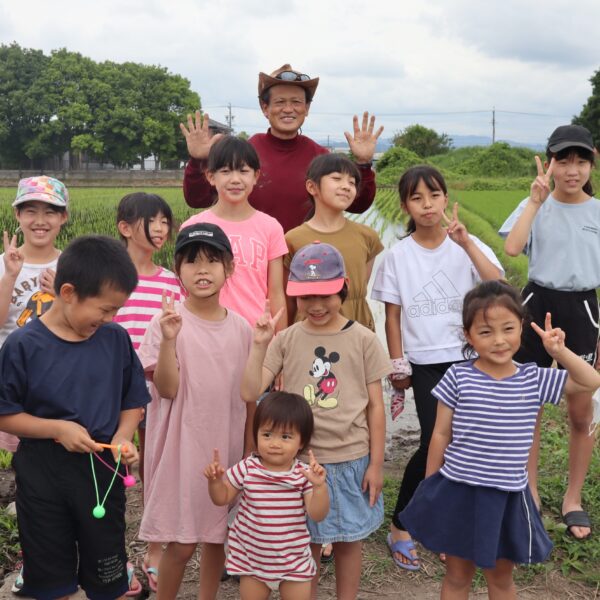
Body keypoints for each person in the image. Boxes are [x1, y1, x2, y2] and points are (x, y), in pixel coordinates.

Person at [399, 280, 600, 600]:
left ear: (520, 327)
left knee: (501, 578)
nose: (499, 340)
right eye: (485, 331)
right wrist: (429, 485)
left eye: (507, 328)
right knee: (457, 576)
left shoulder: (533, 378)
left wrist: (559, 352)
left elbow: (590, 381)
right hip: (458, 490)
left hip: (506, 496)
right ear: (468, 335)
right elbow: (440, 434)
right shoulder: (458, 376)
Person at [0, 235, 149, 600]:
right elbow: (5, 414)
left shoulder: (115, 339)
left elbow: (133, 401)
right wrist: (56, 429)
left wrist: (123, 437)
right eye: (104, 309)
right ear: (68, 292)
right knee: (50, 573)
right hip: (42, 473)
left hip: (102, 469)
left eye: (116, 310)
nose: (110, 318)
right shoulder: (23, 346)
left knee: (106, 568)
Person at [371, 165, 504, 570]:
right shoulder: (397, 256)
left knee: (464, 443)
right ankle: (401, 525)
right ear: (405, 205)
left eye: (434, 195)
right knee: (434, 441)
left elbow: (498, 284)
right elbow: (392, 317)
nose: (427, 205)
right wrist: (398, 365)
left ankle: (446, 522)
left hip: (469, 359)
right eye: (417, 198)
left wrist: (466, 244)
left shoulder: (465, 243)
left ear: (446, 198)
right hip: (426, 362)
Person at [241, 242, 390, 600]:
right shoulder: (286, 339)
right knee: (303, 544)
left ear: (345, 288)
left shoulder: (365, 339)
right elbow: (250, 392)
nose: (316, 305)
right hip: (299, 465)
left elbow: (375, 407)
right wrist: (259, 343)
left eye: (325, 294)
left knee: (349, 542)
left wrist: (376, 463)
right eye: (306, 297)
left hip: (351, 459)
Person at [137, 223, 253, 600]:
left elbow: (249, 397)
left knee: (218, 537)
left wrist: (250, 449)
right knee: (184, 543)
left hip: (228, 446)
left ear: (229, 269)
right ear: (178, 269)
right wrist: (170, 340)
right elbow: (166, 388)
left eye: (212, 261)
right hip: (182, 448)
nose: (202, 270)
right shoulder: (164, 324)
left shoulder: (243, 329)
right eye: (191, 262)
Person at [500, 124, 600, 540]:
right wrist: (535, 203)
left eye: (580, 161)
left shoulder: (597, 212)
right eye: (564, 160)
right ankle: (532, 492)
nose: (572, 170)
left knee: (581, 411)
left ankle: (572, 499)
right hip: (536, 307)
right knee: (531, 408)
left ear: (592, 163)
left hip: (583, 311)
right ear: (551, 162)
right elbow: (511, 248)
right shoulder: (535, 203)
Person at [180, 64, 382, 233]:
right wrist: (198, 160)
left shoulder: (320, 157)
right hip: (253, 262)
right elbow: (197, 199)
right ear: (265, 108)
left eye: (296, 102)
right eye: (279, 102)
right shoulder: (244, 153)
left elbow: (357, 205)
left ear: (307, 108)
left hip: (305, 265)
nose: (288, 109)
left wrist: (363, 164)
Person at [112, 192, 182, 592]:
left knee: (155, 465)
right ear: (125, 228)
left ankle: (154, 552)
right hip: (114, 392)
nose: (160, 229)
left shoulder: (171, 281)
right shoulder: (109, 279)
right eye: (151, 221)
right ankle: (114, 554)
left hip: (156, 389)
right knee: (116, 470)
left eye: (164, 222)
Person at [204, 391, 329, 600]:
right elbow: (222, 498)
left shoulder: (302, 474)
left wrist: (319, 488)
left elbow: (317, 514)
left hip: (293, 563)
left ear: (301, 442)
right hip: (252, 563)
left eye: (286, 437)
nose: (275, 443)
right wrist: (215, 482)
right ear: (256, 434)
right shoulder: (248, 468)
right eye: (267, 434)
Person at [181, 136, 287, 329]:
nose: (235, 179)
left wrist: (281, 341)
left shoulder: (270, 227)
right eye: (226, 171)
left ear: (255, 176)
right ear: (211, 177)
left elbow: (276, 292)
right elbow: (185, 287)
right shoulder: (194, 227)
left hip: (257, 334)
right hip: (206, 333)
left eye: (243, 171)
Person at [0, 176, 69, 455]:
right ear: (18, 214)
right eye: (31, 211)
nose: (40, 220)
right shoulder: (4, 264)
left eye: (50, 212)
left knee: (49, 447)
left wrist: (61, 294)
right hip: (10, 373)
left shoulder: (70, 264)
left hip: (58, 373)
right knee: (16, 448)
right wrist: (11, 276)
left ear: (63, 217)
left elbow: (85, 322)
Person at [285, 153, 383, 331]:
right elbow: (289, 300)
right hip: (308, 330)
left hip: (356, 326)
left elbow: (357, 290)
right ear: (312, 187)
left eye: (352, 182)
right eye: (337, 179)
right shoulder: (292, 239)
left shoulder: (368, 237)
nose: (346, 186)